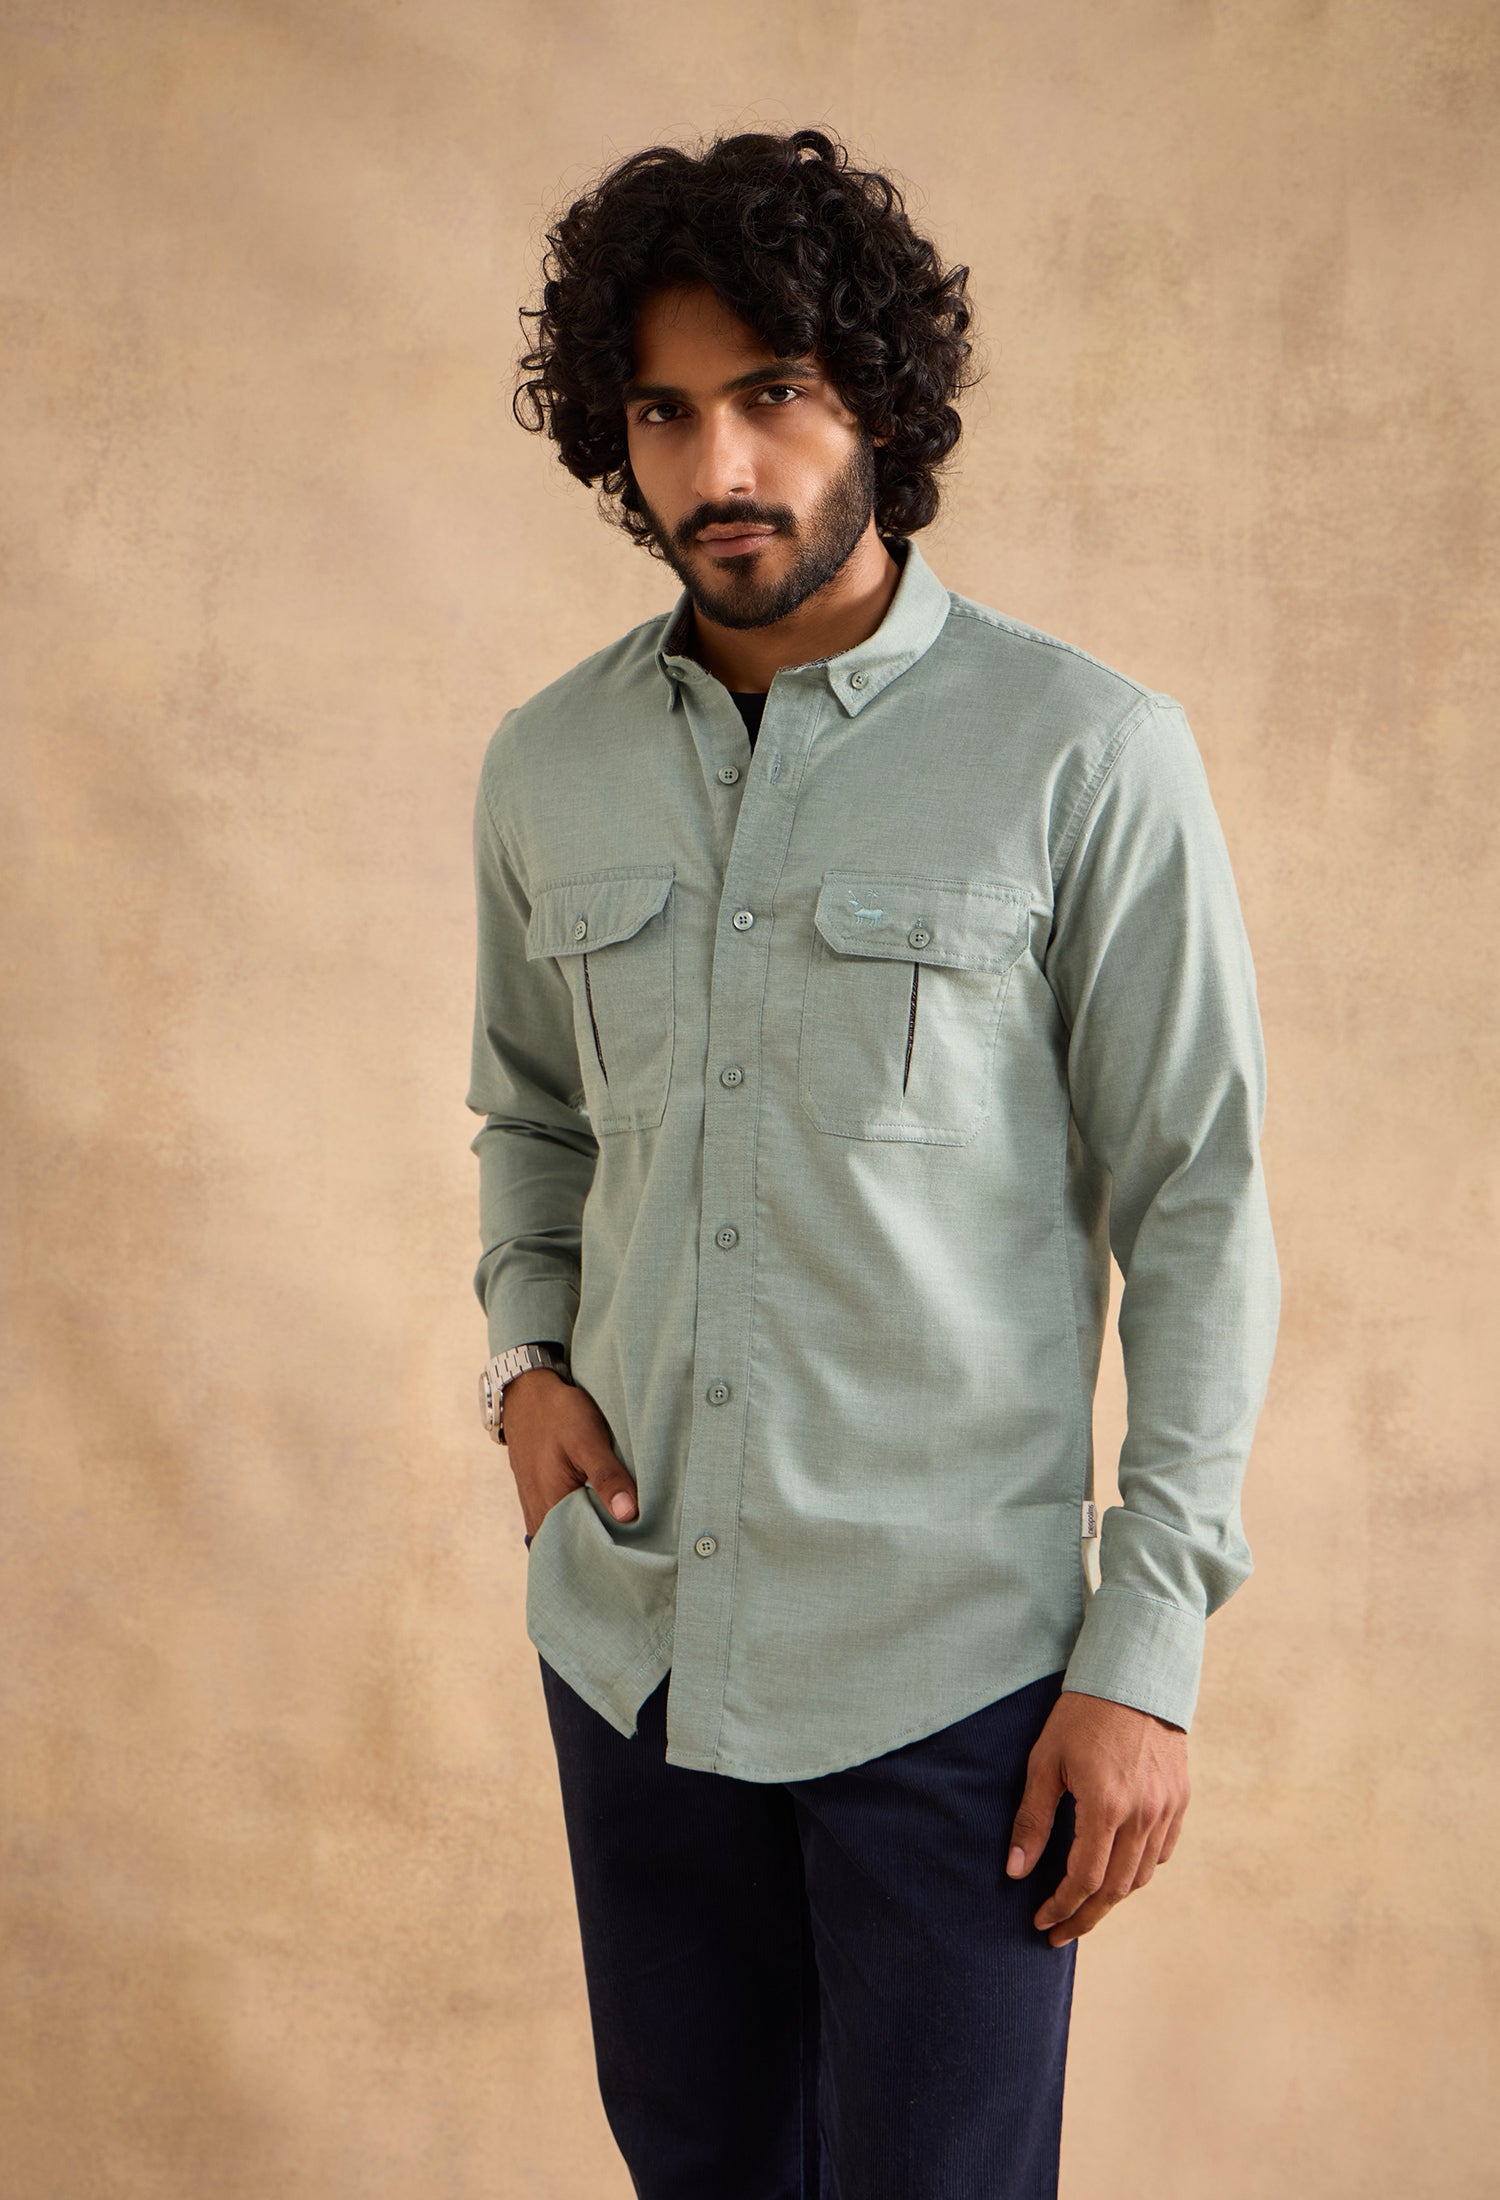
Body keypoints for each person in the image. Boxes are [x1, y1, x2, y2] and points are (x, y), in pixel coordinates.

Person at [465, 124, 1280, 2200]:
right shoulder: (548, 764)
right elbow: (532, 1112)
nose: (718, 465)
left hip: (959, 1683)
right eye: (665, 411)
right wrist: (525, 1365)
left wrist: (1147, 1651)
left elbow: (1198, 1207)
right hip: (634, 1652)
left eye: (773, 394)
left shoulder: (1087, 753)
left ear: (882, 408)